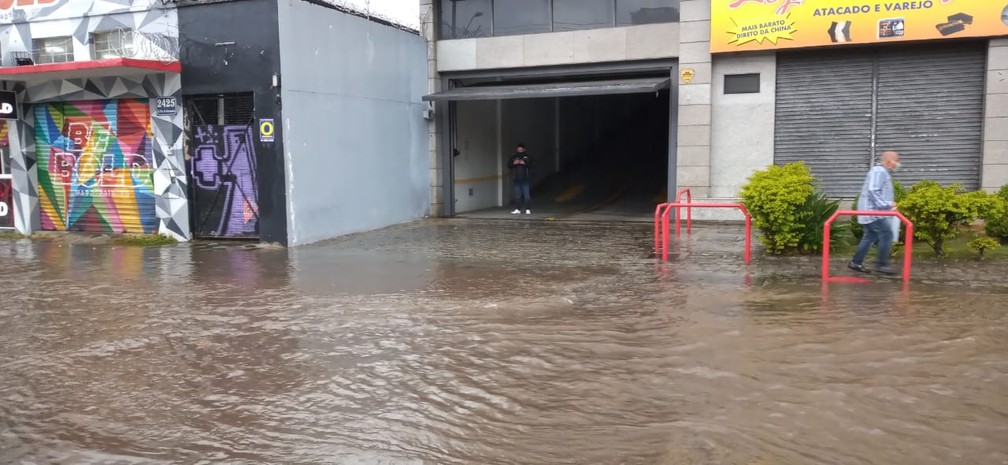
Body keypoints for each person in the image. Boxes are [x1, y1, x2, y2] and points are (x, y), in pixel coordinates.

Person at [849, 150, 901, 275]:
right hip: (873, 212)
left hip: (873, 212)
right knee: (887, 235)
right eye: (897, 161)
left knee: (869, 237)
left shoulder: (883, 172)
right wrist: (886, 204)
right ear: (888, 161)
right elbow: (873, 190)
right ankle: (882, 265)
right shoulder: (879, 171)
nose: (898, 164)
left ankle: (856, 262)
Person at [507, 143, 532, 215]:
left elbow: (531, 165)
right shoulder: (513, 156)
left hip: (525, 178)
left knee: (527, 195)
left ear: (524, 149)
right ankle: (518, 209)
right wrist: (514, 163)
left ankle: (527, 209)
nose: (520, 151)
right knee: (517, 195)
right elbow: (509, 165)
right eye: (518, 150)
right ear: (516, 149)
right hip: (516, 178)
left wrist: (524, 163)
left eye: (521, 150)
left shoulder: (527, 156)